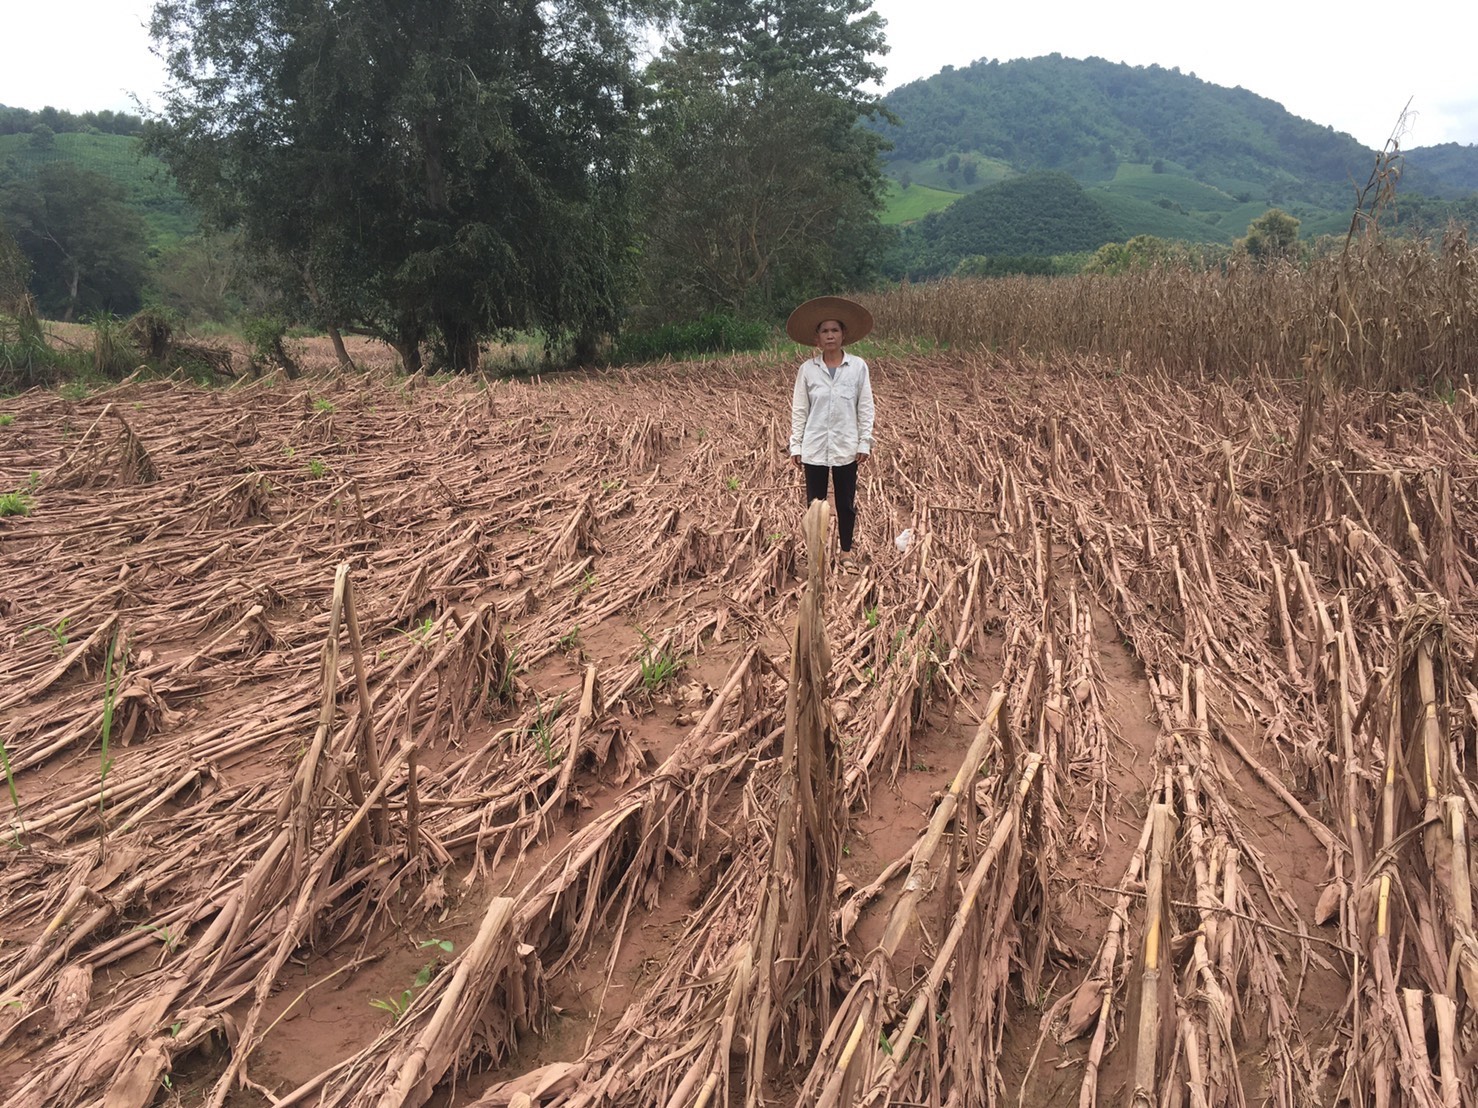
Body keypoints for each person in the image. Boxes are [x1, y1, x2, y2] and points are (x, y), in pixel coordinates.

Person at [786, 296, 875, 571]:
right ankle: (817, 555)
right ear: (817, 337)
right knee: (815, 506)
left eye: (835, 330)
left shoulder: (858, 367)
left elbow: (866, 407)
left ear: (843, 334)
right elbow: (800, 409)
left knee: (846, 504)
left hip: (846, 448)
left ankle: (846, 552)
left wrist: (864, 442)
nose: (830, 335)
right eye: (824, 331)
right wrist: (796, 446)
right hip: (814, 449)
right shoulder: (808, 371)